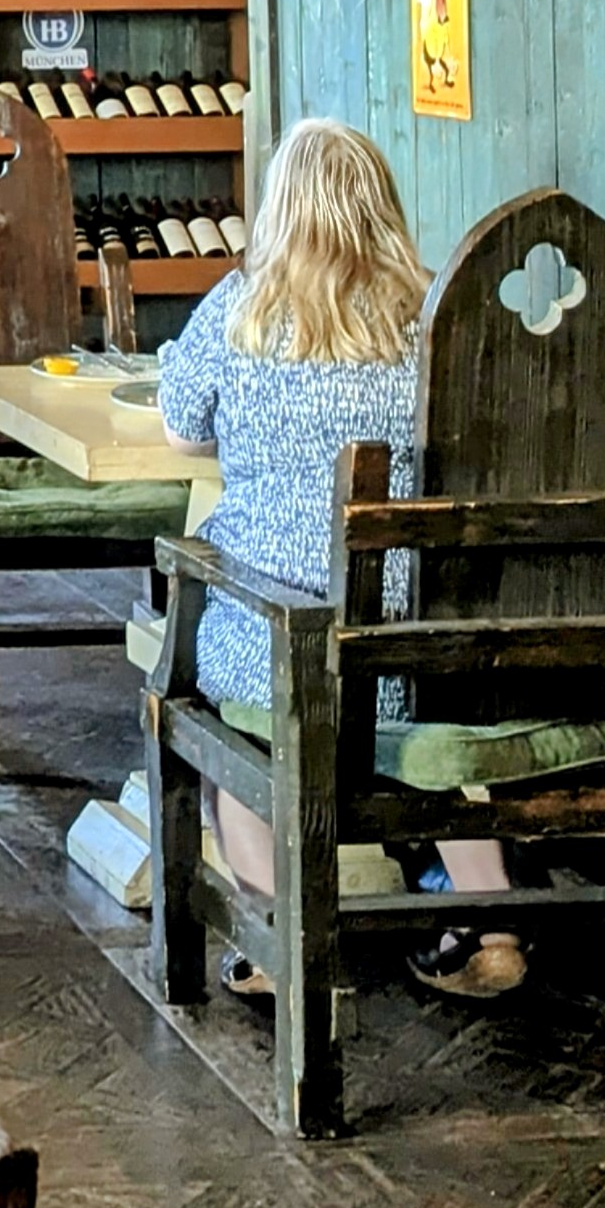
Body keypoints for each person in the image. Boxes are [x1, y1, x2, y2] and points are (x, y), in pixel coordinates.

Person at [157, 117, 522, 1005]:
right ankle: (490, 923)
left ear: (280, 209)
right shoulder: (436, 314)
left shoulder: (242, 309)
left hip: (282, 649)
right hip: (416, 641)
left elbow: (179, 425)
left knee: (236, 724)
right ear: (382, 207)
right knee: (436, 735)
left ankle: (277, 937)